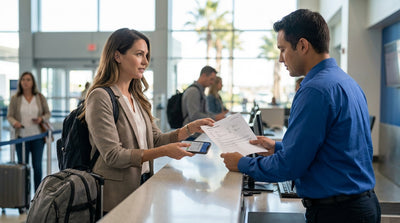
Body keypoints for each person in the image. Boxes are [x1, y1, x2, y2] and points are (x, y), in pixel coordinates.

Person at [220, 9, 381, 223]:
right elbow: (335, 146)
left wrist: (241, 163)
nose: (280, 58)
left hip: (338, 213)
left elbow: (289, 166)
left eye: (283, 49)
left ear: (303, 46)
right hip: (361, 205)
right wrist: (277, 146)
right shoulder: (346, 82)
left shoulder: (315, 90)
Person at [79, 28, 214, 213]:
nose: (145, 61)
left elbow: (156, 139)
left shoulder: (137, 97)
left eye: (147, 55)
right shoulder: (100, 96)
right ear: (117, 56)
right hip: (114, 193)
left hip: (142, 184)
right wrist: (161, 152)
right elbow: (113, 155)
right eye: (139, 54)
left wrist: (189, 129)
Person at [7, 71, 51, 191]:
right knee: (23, 168)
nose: (25, 82)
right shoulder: (15, 98)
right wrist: (14, 122)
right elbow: (10, 115)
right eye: (23, 80)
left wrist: (41, 118)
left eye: (28, 80)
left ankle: (37, 195)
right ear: (20, 82)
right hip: (21, 137)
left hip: (37, 137)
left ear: (33, 83)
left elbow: (48, 113)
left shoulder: (40, 97)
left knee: (37, 167)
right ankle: (24, 197)